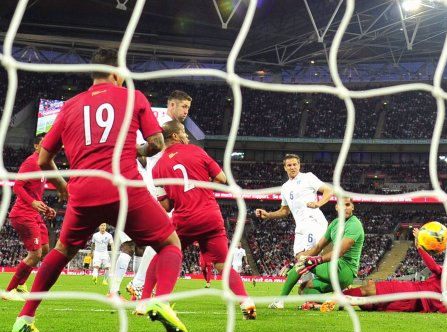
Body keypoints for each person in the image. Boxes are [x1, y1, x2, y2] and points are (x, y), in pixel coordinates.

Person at [11, 48, 187, 332]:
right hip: (124, 187)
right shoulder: (133, 97)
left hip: (83, 192)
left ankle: (25, 317)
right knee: (170, 244)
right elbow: (156, 143)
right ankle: (161, 299)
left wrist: (66, 189)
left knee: (61, 252)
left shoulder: (69, 107)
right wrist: (137, 150)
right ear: (118, 73)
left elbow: (43, 160)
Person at [147, 119, 256, 319]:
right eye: (183, 132)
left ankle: (154, 299)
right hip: (211, 216)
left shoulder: (157, 167)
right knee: (223, 265)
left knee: (165, 253)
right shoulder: (197, 151)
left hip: (185, 218)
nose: (187, 136)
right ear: (175, 136)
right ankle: (246, 302)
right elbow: (222, 179)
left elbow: (166, 206)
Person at [112, 90, 192, 300]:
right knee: (161, 238)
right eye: (183, 106)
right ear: (172, 105)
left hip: (162, 186)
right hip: (151, 186)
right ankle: (131, 286)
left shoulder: (177, 130)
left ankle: (137, 286)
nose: (186, 111)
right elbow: (141, 150)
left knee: (152, 242)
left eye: (188, 108)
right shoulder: (160, 126)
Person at [321, 227, 447, 313]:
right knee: (374, 304)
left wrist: (420, 246)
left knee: (369, 289)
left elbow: (432, 266)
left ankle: (336, 298)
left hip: (410, 290)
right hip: (411, 306)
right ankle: (340, 300)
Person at [255, 153, 332, 309]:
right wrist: (268, 215)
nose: (292, 167)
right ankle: (312, 294)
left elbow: (328, 191)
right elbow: (284, 211)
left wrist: (319, 204)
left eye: (295, 164)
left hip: (314, 222)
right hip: (301, 226)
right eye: (289, 165)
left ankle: (282, 300)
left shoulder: (308, 177)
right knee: (300, 259)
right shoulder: (285, 187)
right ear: (284, 168)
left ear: (299, 165)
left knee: (305, 259)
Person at [277, 197, 364, 310]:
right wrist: (301, 260)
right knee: (304, 289)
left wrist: (313, 261)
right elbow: (318, 247)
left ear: (352, 207)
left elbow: (339, 252)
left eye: (347, 205)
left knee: (301, 266)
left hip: (345, 270)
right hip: (336, 273)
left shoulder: (354, 225)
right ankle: (336, 300)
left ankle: (279, 301)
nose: (345, 208)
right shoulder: (334, 224)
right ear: (337, 207)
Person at [2, 134, 58, 302]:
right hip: (23, 214)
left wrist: (45, 207)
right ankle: (9, 290)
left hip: (34, 213)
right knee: (35, 254)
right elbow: (17, 187)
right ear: (36, 146)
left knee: (45, 249)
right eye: (43, 143)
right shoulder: (30, 162)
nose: (47, 146)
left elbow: (35, 192)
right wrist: (33, 203)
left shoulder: (44, 165)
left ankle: (20, 285)